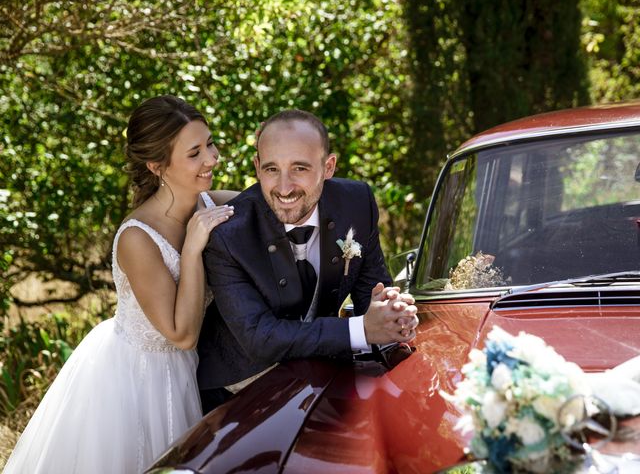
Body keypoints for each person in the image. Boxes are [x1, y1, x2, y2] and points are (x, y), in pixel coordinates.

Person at [4, 95, 236, 474]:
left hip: (194, 373)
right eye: (195, 153)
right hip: (134, 382)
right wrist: (192, 250)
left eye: (209, 143)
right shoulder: (137, 238)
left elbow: (275, 208)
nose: (212, 158)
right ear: (157, 165)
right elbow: (180, 334)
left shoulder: (213, 205)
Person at [197, 109, 418, 413]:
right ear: (257, 167)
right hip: (239, 391)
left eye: (299, 168)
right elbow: (260, 338)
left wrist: (394, 317)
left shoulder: (356, 203)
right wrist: (362, 330)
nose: (284, 188)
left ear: (328, 166)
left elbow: (372, 291)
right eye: (272, 169)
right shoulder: (229, 237)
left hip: (321, 375)